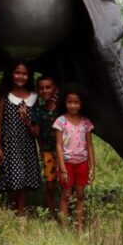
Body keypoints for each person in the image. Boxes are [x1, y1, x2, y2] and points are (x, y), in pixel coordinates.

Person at [0, 60, 42, 214]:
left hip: (27, 144)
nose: (20, 76)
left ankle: (20, 212)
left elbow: (36, 126)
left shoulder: (34, 97)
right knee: (14, 178)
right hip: (10, 144)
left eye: (24, 73)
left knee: (24, 180)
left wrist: (26, 120)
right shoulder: (4, 96)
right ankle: (10, 210)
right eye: (17, 72)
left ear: (29, 76)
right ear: (11, 74)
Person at [53, 83, 95, 230]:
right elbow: (58, 145)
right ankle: (63, 227)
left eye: (76, 102)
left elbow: (89, 145)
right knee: (65, 195)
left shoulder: (86, 122)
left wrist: (92, 166)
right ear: (64, 103)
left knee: (80, 195)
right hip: (67, 163)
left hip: (82, 163)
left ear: (81, 103)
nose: (73, 105)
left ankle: (80, 226)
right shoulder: (60, 122)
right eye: (69, 102)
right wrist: (63, 168)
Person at [21, 75, 59, 216]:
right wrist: (26, 120)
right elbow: (36, 133)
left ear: (55, 89)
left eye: (48, 87)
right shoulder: (38, 111)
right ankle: (52, 214)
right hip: (48, 152)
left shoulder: (62, 109)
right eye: (41, 88)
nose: (45, 91)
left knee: (67, 183)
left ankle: (67, 212)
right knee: (50, 185)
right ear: (38, 91)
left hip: (65, 152)